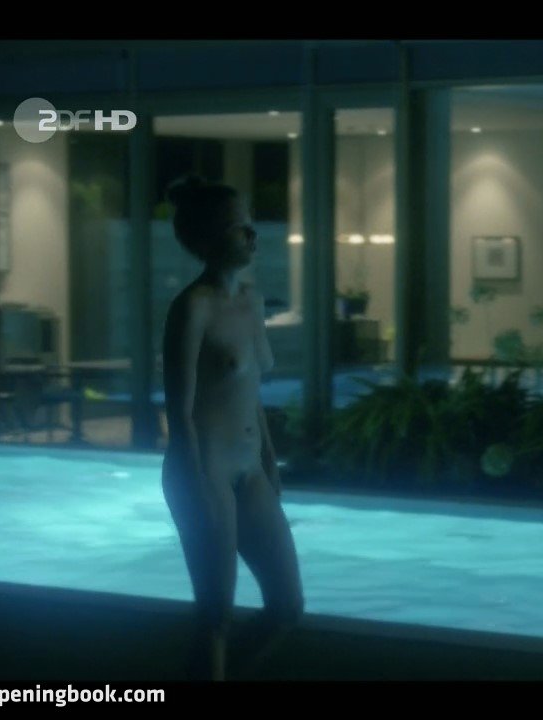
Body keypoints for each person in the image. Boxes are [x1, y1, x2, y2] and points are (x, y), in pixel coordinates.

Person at [160, 175, 303, 681]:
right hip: (205, 469)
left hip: (250, 468)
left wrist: (269, 461)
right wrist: (198, 483)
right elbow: (179, 412)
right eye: (239, 227)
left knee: (287, 606)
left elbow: (250, 393)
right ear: (206, 240)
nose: (252, 235)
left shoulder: (252, 300)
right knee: (216, 614)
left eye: (250, 224)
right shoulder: (192, 307)